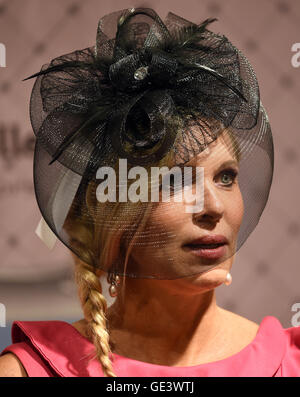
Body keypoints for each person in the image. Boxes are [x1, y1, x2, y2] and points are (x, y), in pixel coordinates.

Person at [1, 7, 299, 377]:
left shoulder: (290, 361)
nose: (213, 207)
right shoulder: (31, 370)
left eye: (226, 177)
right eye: (174, 180)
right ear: (111, 209)